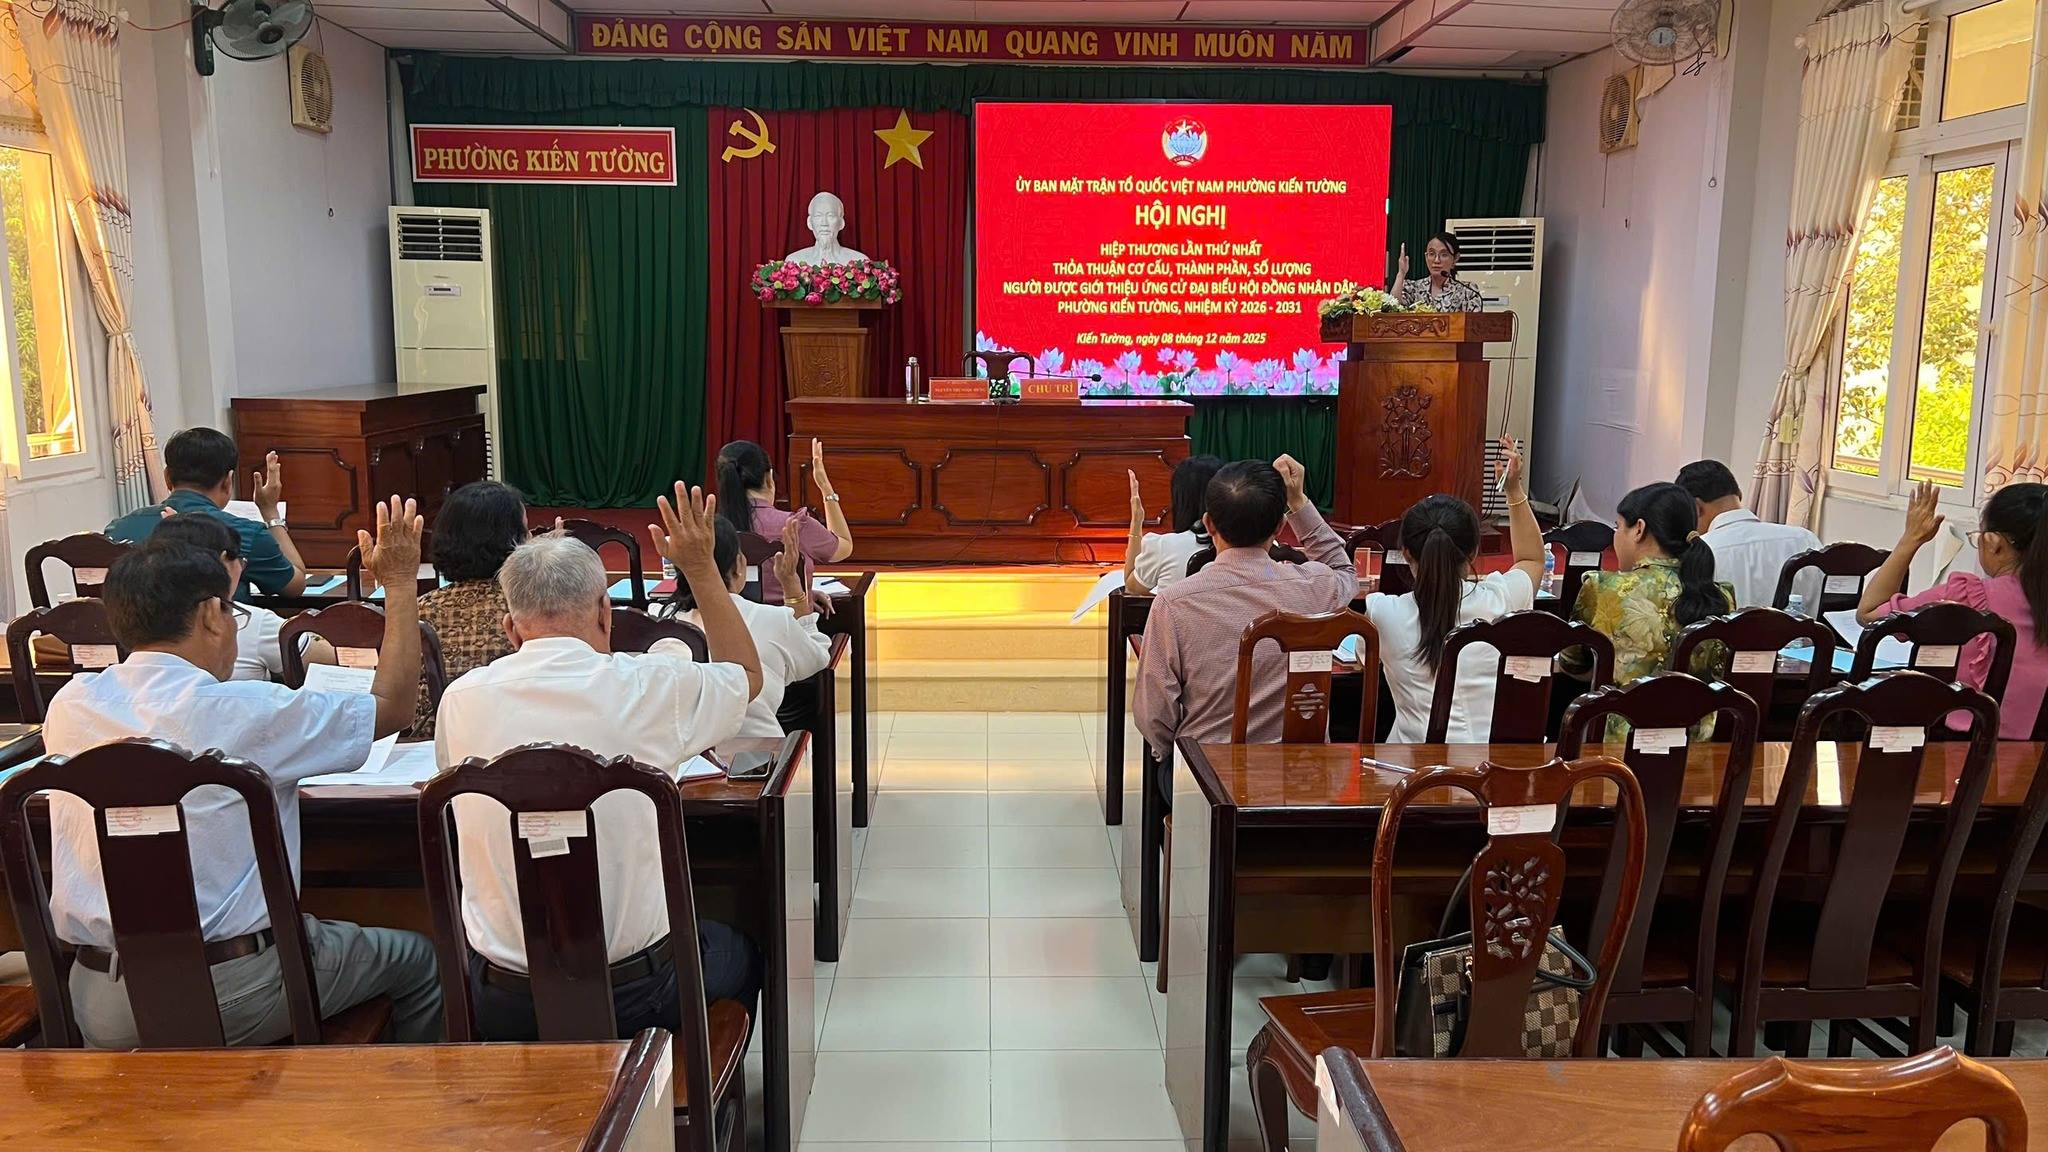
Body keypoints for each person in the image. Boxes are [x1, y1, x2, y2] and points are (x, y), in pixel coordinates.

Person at [45, 497, 441, 1048]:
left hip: (96, 998)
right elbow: (394, 708)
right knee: (420, 961)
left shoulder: (69, 705)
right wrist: (398, 586)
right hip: (231, 989)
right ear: (212, 615)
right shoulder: (247, 709)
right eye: (233, 612)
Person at [433, 484, 767, 1040]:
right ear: (605, 613)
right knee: (742, 951)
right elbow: (746, 679)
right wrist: (702, 571)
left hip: (502, 998)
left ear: (511, 630)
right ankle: (696, 1091)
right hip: (641, 993)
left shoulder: (461, 699)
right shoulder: (653, 684)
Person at [1134, 455, 1358, 754]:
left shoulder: (1175, 602)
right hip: (1302, 768)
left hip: (1207, 769)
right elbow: (1344, 571)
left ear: (1208, 524)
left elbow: (1153, 713)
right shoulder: (1315, 586)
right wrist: (1299, 502)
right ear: (1280, 527)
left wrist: (1177, 756)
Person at [1365, 438, 1546, 742]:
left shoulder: (1382, 613)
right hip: (1494, 765)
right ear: (1474, 552)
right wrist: (1513, 490)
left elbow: (1363, 662)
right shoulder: (1503, 599)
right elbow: (1532, 559)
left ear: (1406, 553)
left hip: (1413, 767)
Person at [1856, 480, 2048, 739]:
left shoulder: (1965, 597)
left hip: (1961, 750)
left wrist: (1910, 539)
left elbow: (1869, 614)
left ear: (1994, 543)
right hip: (2036, 756)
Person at [1565, 482, 1734, 739]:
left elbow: (1573, 663)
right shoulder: (1721, 596)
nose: (1615, 536)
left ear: (1639, 529)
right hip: (1701, 742)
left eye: (1618, 526)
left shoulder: (1604, 588)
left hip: (1622, 740)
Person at [670, 515, 832, 738]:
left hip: (677, 755)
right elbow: (817, 659)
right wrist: (793, 589)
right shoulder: (772, 620)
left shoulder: (657, 624)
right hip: (755, 751)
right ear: (739, 565)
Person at [105, 427, 310, 596]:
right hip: (221, 633)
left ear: (167, 477)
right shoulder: (246, 533)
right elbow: (295, 586)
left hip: (135, 633)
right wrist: (270, 511)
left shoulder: (118, 530)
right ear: (228, 481)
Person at [145, 513, 337, 681]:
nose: (242, 567)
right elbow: (326, 663)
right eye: (240, 560)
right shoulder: (253, 622)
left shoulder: (141, 617)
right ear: (223, 562)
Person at [411, 480, 529, 736]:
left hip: (426, 741)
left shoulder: (417, 610)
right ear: (514, 543)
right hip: (511, 739)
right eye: (526, 533)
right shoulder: (528, 608)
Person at [715, 437, 853, 603]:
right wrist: (826, 489)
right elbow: (844, 547)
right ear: (769, 478)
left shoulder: (711, 530)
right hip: (791, 618)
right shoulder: (795, 525)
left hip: (730, 619)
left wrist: (808, 592)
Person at [1675, 459, 1822, 609]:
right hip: (1805, 625)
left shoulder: (1700, 553)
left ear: (1695, 507)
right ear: (1739, 495)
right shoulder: (1804, 539)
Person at [1123, 455, 1224, 594]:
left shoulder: (1164, 546)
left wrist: (1136, 521)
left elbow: (1131, 590)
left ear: (1180, 498)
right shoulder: (1243, 548)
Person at [1387, 231, 1485, 313]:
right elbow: (1392, 308)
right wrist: (1401, 274)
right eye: (1431, 254)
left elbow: (1475, 326)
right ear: (1426, 257)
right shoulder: (1413, 288)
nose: (1436, 260)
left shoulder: (1468, 291)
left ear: (1455, 258)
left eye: (1444, 254)